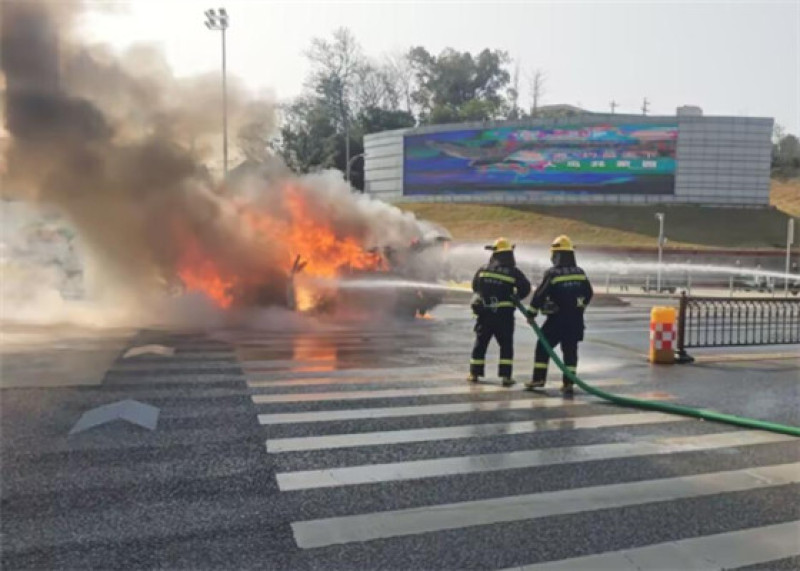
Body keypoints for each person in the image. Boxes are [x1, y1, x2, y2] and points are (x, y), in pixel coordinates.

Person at [525, 235, 593, 395]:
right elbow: (589, 293)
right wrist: (580, 307)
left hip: (557, 320)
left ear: (557, 255)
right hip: (575, 321)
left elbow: (540, 294)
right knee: (570, 352)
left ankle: (539, 379)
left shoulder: (553, 273)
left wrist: (531, 313)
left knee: (543, 347)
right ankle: (569, 383)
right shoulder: (580, 272)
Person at [468, 237, 532, 387]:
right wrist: (516, 296)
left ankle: (474, 373)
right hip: (504, 316)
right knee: (506, 345)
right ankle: (506, 376)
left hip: (484, 314)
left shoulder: (483, 269)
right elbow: (526, 288)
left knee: (481, 343)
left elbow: (475, 286)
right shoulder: (513, 272)